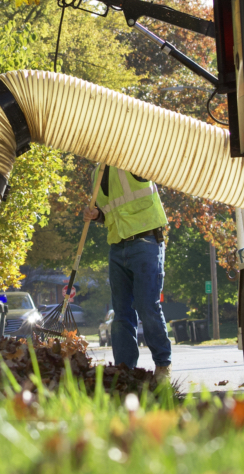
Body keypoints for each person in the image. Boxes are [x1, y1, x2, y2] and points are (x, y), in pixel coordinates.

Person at [83, 164, 171, 382]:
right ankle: (124, 371)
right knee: (121, 314)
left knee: (147, 305)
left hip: (146, 241)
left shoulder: (133, 161)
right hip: (117, 246)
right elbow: (109, 210)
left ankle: (162, 366)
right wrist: (97, 215)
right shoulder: (97, 174)